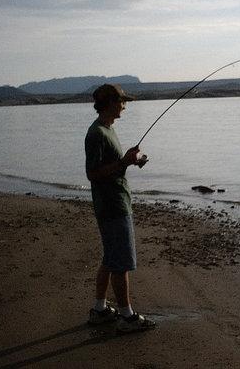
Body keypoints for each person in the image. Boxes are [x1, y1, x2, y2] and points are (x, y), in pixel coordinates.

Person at [84, 84, 153, 333]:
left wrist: (129, 161)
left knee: (110, 258)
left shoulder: (107, 130)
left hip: (114, 202)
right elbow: (92, 174)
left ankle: (100, 309)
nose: (125, 105)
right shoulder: (97, 134)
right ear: (110, 103)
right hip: (112, 206)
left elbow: (110, 166)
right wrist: (123, 162)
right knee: (120, 263)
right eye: (122, 101)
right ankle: (127, 317)